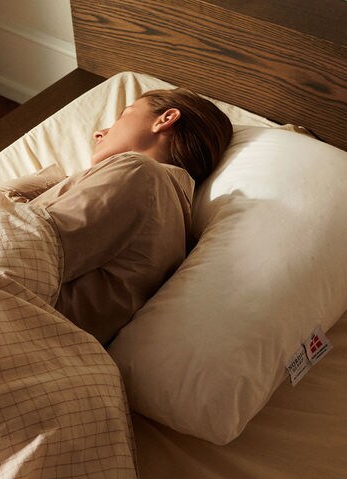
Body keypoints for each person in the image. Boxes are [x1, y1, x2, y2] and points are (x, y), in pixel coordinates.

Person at [13, 88, 233, 345]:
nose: (99, 133)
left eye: (123, 116)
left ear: (165, 119)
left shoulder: (140, 173)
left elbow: (24, 247)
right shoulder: (172, 219)